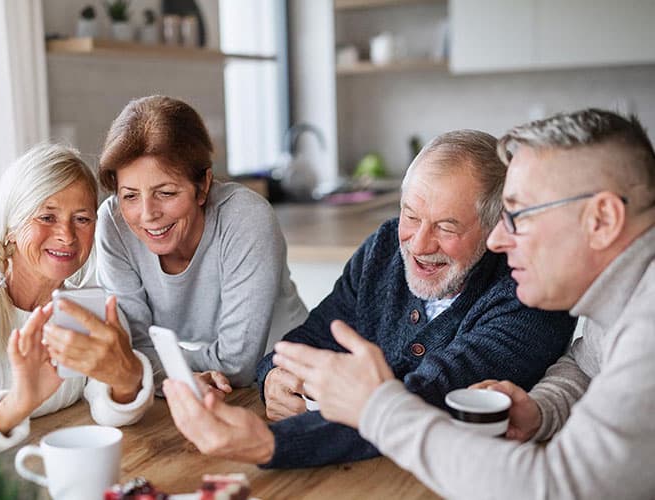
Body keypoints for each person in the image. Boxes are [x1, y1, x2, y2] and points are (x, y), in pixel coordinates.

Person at [269, 109, 655, 499]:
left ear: (602, 219)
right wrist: (541, 410)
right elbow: (587, 363)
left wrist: (374, 409)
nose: (499, 239)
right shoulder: (621, 296)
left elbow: (554, 487)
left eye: (518, 215)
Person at [162, 129, 577, 467]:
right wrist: (273, 374)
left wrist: (273, 444)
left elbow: (423, 400)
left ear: (494, 229)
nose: (418, 243)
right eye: (411, 216)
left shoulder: (529, 294)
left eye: (446, 228)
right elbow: (313, 335)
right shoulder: (383, 250)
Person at [0, 144, 154, 473]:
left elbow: (109, 409)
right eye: (47, 217)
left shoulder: (90, 310)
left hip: (45, 476)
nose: (66, 235)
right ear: (11, 225)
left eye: (82, 219)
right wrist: (16, 403)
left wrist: (126, 381)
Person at [95, 95, 307, 388]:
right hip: (204, 385)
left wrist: (146, 368)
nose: (147, 215)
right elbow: (132, 345)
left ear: (203, 186)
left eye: (166, 193)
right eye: (130, 195)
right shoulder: (113, 222)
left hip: (287, 376)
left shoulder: (245, 217)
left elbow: (237, 365)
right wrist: (177, 375)